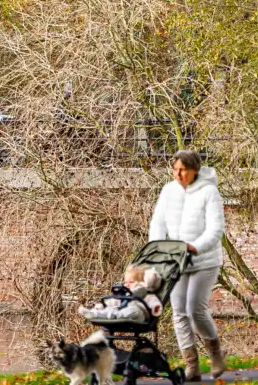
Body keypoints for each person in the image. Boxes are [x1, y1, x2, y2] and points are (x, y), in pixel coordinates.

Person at [148, 150, 226, 381]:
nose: (178, 174)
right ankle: (191, 364)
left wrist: (195, 246)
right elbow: (158, 223)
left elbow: (215, 229)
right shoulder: (169, 191)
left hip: (204, 260)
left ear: (194, 170)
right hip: (177, 260)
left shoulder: (209, 192)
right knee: (179, 312)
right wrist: (157, 248)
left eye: (182, 169)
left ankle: (215, 353)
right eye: (175, 169)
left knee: (195, 310)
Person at [78, 265, 163, 322]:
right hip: (123, 311)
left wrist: (156, 308)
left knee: (132, 310)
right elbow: (116, 301)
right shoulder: (125, 294)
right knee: (113, 307)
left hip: (139, 314)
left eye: (131, 282)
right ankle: (94, 312)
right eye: (125, 282)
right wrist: (103, 305)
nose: (127, 285)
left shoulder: (147, 295)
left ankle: (99, 314)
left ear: (140, 282)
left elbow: (154, 303)